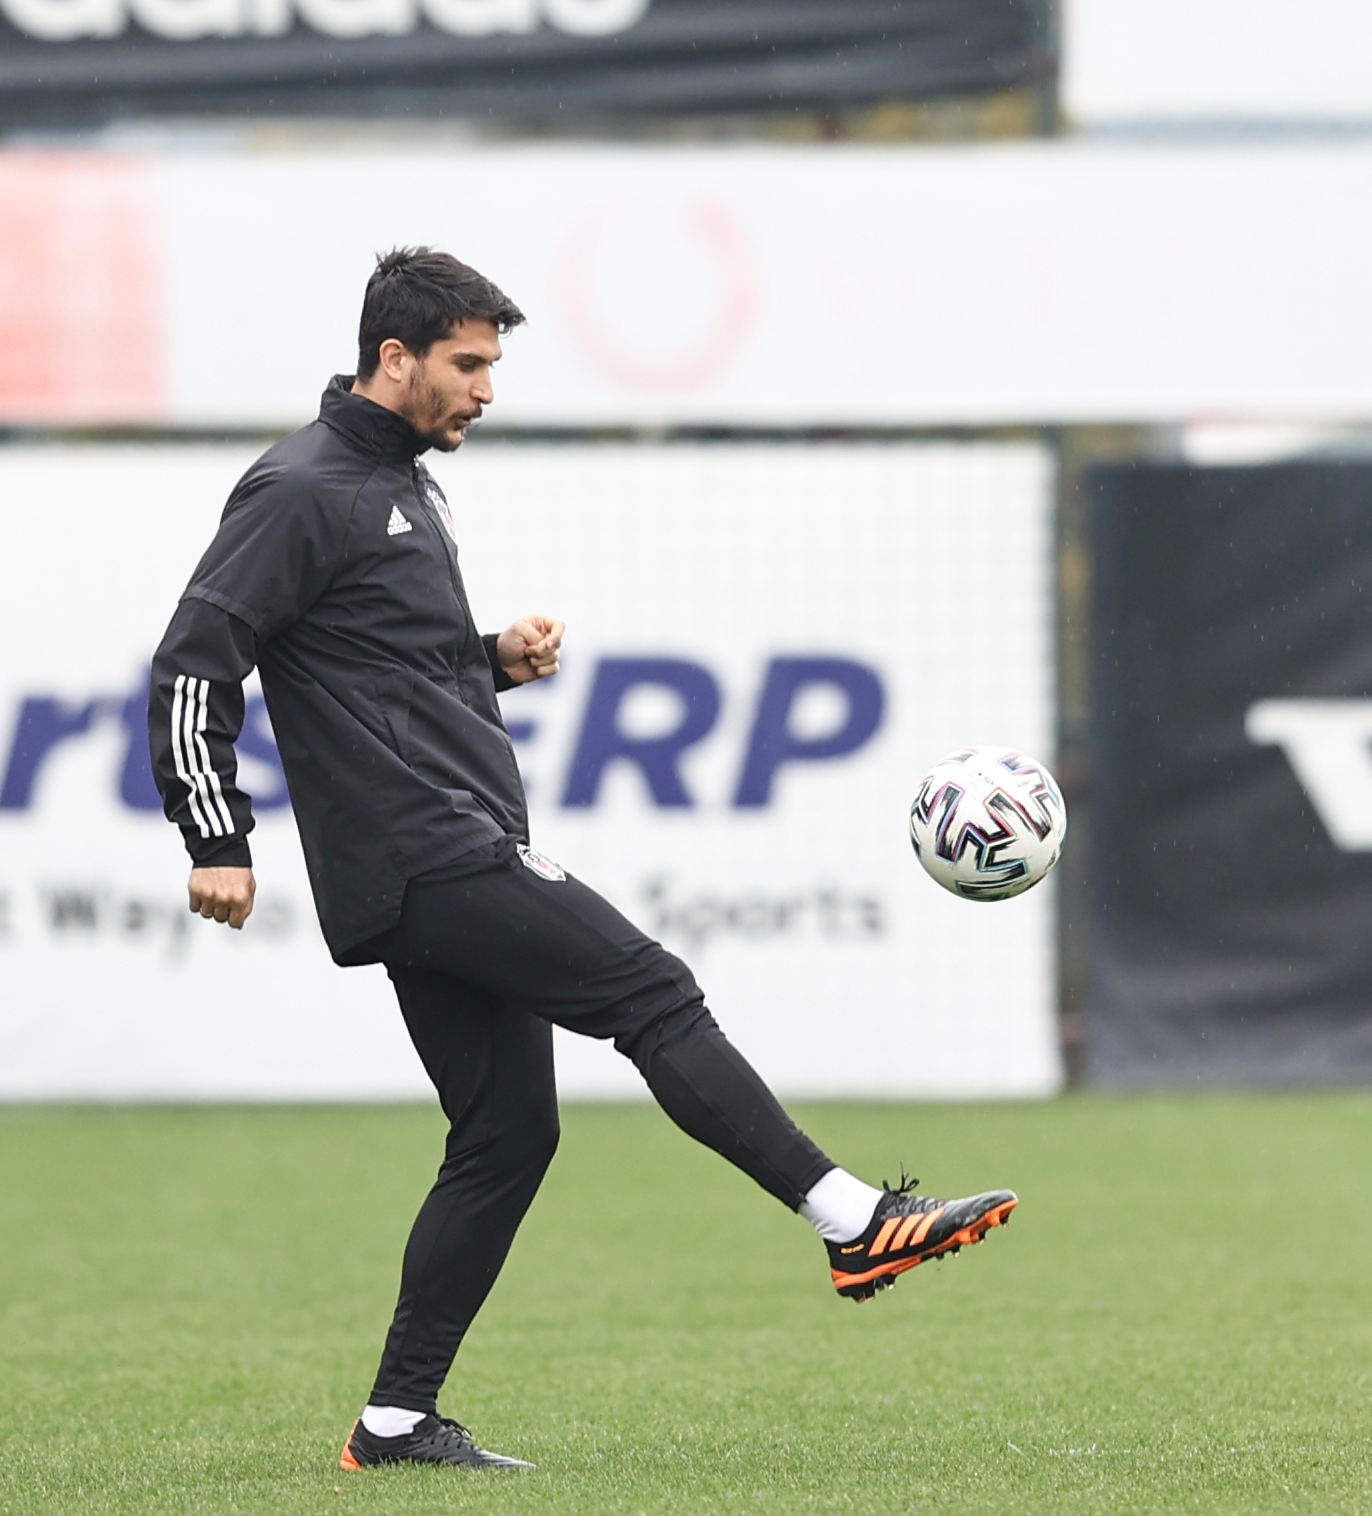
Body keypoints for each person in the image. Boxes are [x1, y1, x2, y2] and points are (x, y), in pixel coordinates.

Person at [147, 247, 1017, 1473]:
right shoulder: (301, 486)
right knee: (652, 991)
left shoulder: (400, 483)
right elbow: (196, 656)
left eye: (492, 364)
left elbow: (379, 664)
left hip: (436, 847)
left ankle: (394, 1421)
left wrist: (490, 657)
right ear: (394, 358)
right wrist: (216, 834)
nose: (487, 388)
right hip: (427, 850)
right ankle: (854, 1220)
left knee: (507, 1135)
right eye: (468, 363)